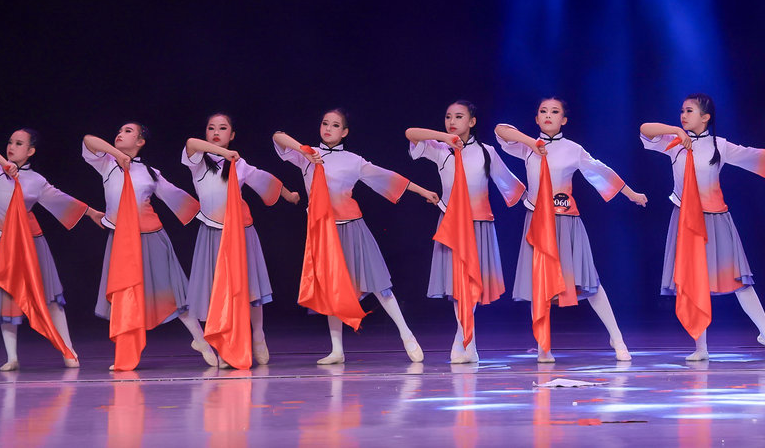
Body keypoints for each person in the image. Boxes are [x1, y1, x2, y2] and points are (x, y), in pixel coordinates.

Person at [273, 108, 439, 364]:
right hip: (323, 233)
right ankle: (337, 350)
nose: (328, 128)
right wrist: (304, 150)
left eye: (335, 125)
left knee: (378, 283)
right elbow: (278, 136)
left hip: (352, 228)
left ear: (345, 132)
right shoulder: (306, 156)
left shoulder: (353, 160)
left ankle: (407, 335)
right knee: (332, 290)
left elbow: (388, 177)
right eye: (325, 123)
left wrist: (423, 191)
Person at [640, 94, 765, 359]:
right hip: (685, 220)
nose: (683, 115)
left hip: (715, 219)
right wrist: (676, 131)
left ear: (705, 117)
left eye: (689, 111)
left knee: (739, 280)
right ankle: (701, 348)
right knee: (693, 282)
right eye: (682, 111)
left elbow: (753, 155)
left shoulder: (719, 146)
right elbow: (645, 128)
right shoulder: (673, 143)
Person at [495, 97, 647, 362]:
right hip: (537, 224)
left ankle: (617, 338)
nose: (548, 115)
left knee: (589, 282)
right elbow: (500, 130)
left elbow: (601, 171)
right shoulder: (526, 147)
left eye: (555, 112)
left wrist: (631, 194)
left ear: (564, 120)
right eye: (543, 111)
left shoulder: (572, 149)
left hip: (566, 223)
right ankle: (543, 347)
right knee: (539, 285)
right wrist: (531, 143)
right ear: (536, 118)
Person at [82, 122, 213, 367]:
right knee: (126, 296)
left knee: (174, 292)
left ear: (140, 142)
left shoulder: (150, 172)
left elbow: (178, 198)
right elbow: (89, 140)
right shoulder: (107, 164)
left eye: (128, 131)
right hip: (122, 241)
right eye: (119, 130)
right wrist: (118, 154)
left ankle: (201, 340)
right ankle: (126, 355)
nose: (120, 133)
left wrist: (215, 213)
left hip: (152, 237)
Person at [0, 128, 104, 369]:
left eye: (19, 143)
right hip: (0, 241)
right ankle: (12, 357)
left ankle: (68, 350)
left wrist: (91, 212)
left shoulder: (35, 180)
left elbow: (61, 198)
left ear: (30, 151)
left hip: (29, 242)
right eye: (10, 142)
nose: (11, 147)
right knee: (6, 297)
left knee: (50, 296)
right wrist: (4, 164)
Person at [405, 100, 526, 363]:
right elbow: (410, 133)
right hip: (452, 225)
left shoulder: (486, 152)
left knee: (471, 284)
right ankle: (466, 342)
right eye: (448, 116)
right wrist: (444, 138)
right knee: (457, 285)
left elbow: (509, 184)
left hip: (479, 224)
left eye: (459, 117)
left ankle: (463, 340)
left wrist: (537, 202)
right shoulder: (440, 150)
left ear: (472, 122)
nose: (452, 121)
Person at [182, 113, 298, 366]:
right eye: (211, 127)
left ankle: (258, 335)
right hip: (212, 233)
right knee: (216, 291)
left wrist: (289, 195)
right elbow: (191, 142)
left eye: (223, 128)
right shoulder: (198, 161)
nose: (216, 132)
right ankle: (224, 344)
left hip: (241, 232)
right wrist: (224, 153)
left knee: (250, 286)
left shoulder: (239, 164)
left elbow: (264, 180)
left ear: (232, 135)